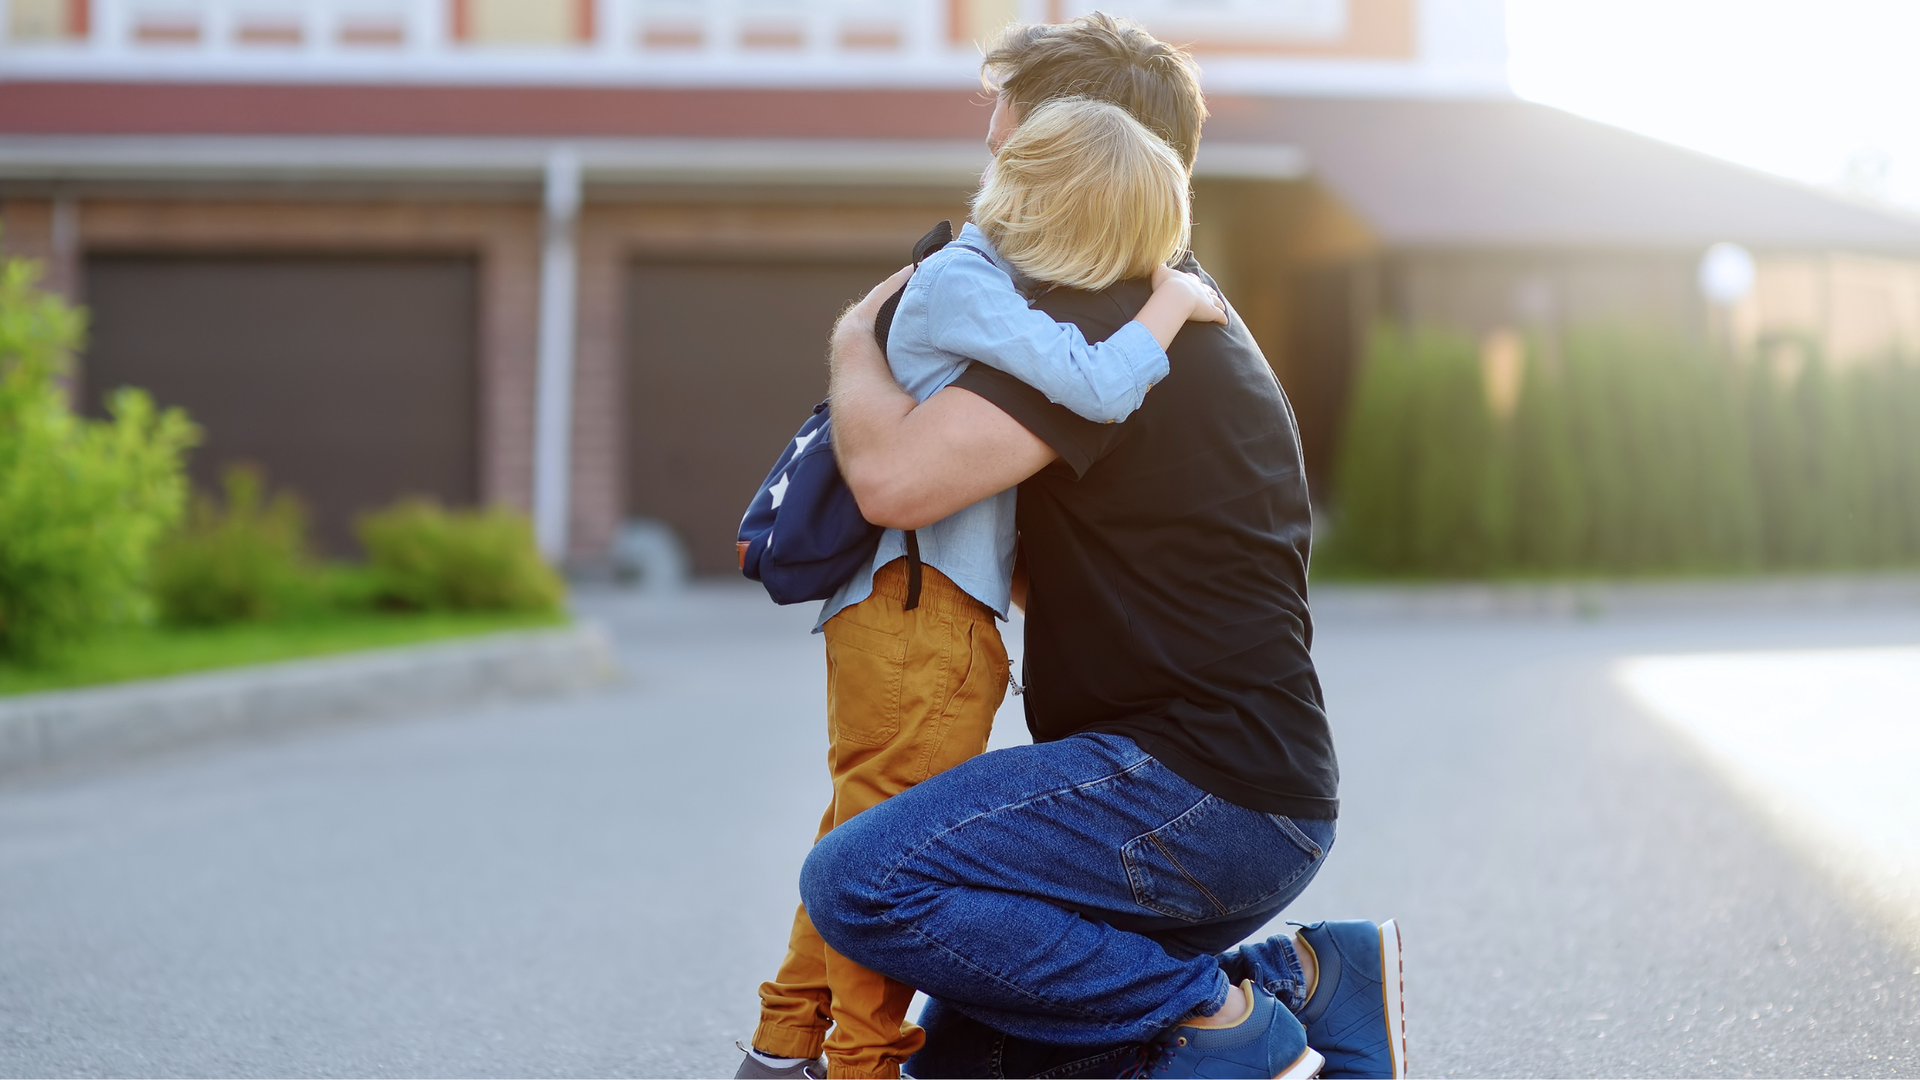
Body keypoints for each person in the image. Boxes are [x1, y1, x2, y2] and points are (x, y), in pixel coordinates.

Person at [793, 14, 1407, 1080]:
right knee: (967, 1062)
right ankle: (1312, 981)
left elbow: (893, 478)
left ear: (1083, 144)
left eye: (1010, 124)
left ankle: (1227, 1021)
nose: (992, 149)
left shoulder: (1099, 322)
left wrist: (855, 337)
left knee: (862, 883)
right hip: (1236, 796)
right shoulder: (1165, 309)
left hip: (1193, 794)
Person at [737, 97, 1231, 1080]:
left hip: (918, 612)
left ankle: (783, 1046)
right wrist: (1171, 304)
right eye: (1118, 240)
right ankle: (863, 1065)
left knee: (858, 831)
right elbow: (1097, 383)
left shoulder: (969, 281)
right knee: (882, 862)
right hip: (918, 615)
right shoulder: (965, 283)